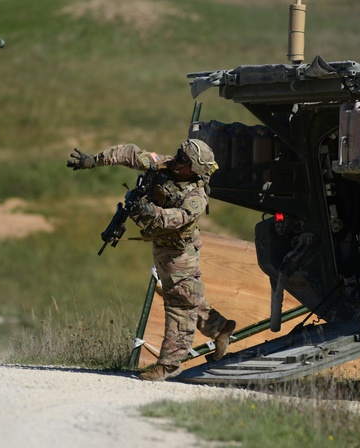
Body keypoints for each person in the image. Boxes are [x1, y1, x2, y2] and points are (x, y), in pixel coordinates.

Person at [67, 139, 236, 381]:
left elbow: (178, 218)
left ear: (195, 170)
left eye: (183, 160)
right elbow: (131, 153)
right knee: (184, 295)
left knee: (179, 305)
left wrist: (148, 211)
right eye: (178, 153)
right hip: (162, 247)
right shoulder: (166, 165)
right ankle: (219, 327)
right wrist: (94, 160)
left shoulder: (196, 197)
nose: (176, 160)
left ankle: (168, 366)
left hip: (180, 253)